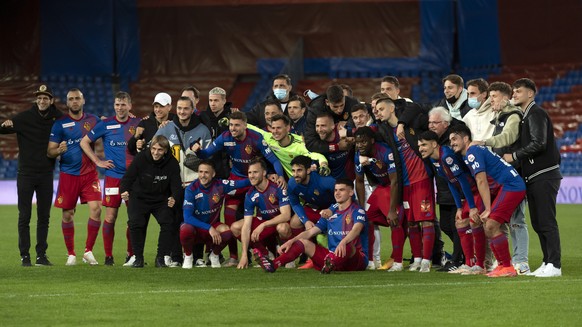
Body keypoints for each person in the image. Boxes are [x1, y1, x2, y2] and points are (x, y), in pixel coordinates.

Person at [192, 111, 285, 266]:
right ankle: (235, 256)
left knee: (263, 218)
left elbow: (274, 160)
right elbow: (205, 154)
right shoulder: (225, 137)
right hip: (236, 181)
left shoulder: (256, 138)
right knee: (229, 217)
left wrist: (279, 175)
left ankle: (269, 251)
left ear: (245, 125)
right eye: (231, 125)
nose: (233, 128)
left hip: (256, 180)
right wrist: (197, 149)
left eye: (236, 125)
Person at [449, 124, 526, 277]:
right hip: (507, 186)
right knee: (488, 225)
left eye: (455, 139)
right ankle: (503, 265)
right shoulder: (472, 152)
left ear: (466, 139)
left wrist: (488, 208)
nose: (452, 143)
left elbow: (481, 180)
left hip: (511, 185)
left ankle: (508, 267)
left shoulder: (472, 152)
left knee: (490, 224)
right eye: (450, 140)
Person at [504, 78, 562, 278]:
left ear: (530, 94)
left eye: (518, 91)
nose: (514, 95)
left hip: (544, 175)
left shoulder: (536, 114)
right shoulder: (526, 116)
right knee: (538, 222)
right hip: (535, 176)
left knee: (546, 221)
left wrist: (515, 155)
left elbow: (540, 143)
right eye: (514, 91)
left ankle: (555, 264)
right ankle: (547, 262)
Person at [0, 84, 63, 266]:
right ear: (36, 100)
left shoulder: (57, 118)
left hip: (45, 174)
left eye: (45, 98)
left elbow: (76, 124)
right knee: (24, 216)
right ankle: (25, 255)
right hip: (25, 174)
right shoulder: (24, 118)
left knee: (44, 217)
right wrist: (4, 125)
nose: (42, 101)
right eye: (39, 98)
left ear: (51, 101)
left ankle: (41, 255)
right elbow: (3, 130)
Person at [472, 81, 530, 274]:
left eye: (494, 96)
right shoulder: (500, 116)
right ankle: (504, 261)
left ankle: (521, 260)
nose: (491, 100)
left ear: (505, 98)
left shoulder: (512, 115)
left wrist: (485, 142)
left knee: (517, 220)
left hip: (515, 174)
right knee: (500, 222)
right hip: (504, 177)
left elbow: (508, 138)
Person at [255, 178, 368, 274]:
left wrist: (343, 242)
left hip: (355, 260)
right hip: (333, 257)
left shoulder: (357, 211)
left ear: (351, 193)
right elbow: (311, 232)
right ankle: (273, 264)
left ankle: (331, 263)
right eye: (336, 190)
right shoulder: (329, 213)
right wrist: (292, 240)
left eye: (342, 190)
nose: (337, 193)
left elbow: (356, 230)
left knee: (348, 245)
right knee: (303, 242)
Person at [79, 91, 141, 266]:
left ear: (130, 105)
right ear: (114, 106)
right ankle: (108, 256)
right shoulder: (105, 124)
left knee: (133, 218)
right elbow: (84, 142)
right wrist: (97, 161)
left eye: (123, 104)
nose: (120, 108)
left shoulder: (138, 124)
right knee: (111, 216)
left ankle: (131, 254)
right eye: (117, 104)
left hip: (133, 179)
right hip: (113, 177)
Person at [376, 97, 436, 272]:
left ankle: (426, 261)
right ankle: (417, 259)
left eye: (381, 109)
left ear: (392, 108)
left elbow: (418, 106)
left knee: (426, 221)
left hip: (422, 178)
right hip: (406, 182)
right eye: (376, 110)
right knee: (411, 223)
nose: (378, 112)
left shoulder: (412, 122)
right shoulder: (385, 131)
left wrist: (402, 123)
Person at [418, 131, 488, 275]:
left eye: (424, 145)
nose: (421, 149)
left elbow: (463, 181)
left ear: (434, 144)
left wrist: (472, 207)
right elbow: (451, 183)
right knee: (460, 222)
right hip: (468, 194)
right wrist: (459, 207)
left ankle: (480, 265)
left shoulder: (447, 156)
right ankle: (469, 263)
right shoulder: (434, 159)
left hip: (477, 191)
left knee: (474, 221)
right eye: (419, 146)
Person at [47, 88, 102, 266]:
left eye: (77, 98)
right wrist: (58, 151)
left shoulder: (93, 120)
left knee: (96, 209)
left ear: (83, 100)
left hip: (89, 174)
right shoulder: (60, 124)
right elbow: (50, 151)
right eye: (71, 99)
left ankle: (88, 251)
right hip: (68, 174)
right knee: (68, 214)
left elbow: (111, 126)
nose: (75, 101)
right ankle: (71, 253)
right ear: (67, 102)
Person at [120, 135, 182, 268]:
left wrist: (174, 197)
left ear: (165, 150)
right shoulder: (141, 158)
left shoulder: (172, 163)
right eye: (153, 148)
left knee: (168, 223)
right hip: (139, 198)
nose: (155, 152)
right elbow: (127, 178)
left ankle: (160, 258)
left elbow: (176, 185)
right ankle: (138, 258)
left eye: (160, 150)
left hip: (161, 199)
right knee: (136, 224)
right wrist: (124, 190)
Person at [180, 160, 250, 269]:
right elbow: (187, 217)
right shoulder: (191, 189)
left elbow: (242, 183)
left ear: (213, 174)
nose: (203, 175)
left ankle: (214, 255)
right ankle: (188, 256)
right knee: (185, 229)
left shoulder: (221, 185)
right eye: (200, 172)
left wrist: (263, 178)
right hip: (197, 229)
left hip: (213, 229)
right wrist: (209, 228)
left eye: (206, 172)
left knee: (228, 232)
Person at [230, 159, 291, 269]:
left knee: (283, 227)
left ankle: (288, 256)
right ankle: (264, 254)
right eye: (249, 173)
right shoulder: (250, 194)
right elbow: (247, 226)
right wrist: (243, 255)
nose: (251, 176)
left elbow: (286, 215)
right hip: (267, 225)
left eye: (255, 172)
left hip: (280, 223)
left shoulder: (277, 187)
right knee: (236, 227)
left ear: (264, 173)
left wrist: (263, 225)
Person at [427, 106, 466, 272]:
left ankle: (458, 259)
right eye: (430, 123)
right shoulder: (434, 141)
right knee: (445, 226)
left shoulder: (450, 142)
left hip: (455, 191)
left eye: (435, 122)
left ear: (445, 123)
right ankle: (463, 251)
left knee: (457, 226)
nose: (432, 126)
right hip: (443, 190)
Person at [354, 127, 398, 270]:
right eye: (357, 142)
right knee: (368, 219)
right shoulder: (358, 155)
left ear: (372, 141)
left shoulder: (385, 152)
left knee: (396, 220)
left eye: (363, 142)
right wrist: (361, 208)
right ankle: (370, 261)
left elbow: (394, 181)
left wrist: (392, 209)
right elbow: (359, 181)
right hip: (380, 188)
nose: (360, 145)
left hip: (393, 188)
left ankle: (397, 261)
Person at [247, 114, 328, 178]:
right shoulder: (270, 138)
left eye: (278, 128)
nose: (275, 131)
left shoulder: (300, 144)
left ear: (288, 128)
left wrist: (323, 165)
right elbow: (253, 128)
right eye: (273, 128)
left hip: (307, 180)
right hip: (292, 183)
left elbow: (318, 156)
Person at [304, 84, 360, 154]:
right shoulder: (315, 110)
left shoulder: (352, 103)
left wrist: (349, 125)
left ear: (345, 98)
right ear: (327, 102)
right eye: (335, 107)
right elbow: (310, 143)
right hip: (325, 150)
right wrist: (336, 147)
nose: (339, 110)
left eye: (342, 105)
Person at [201, 86, 233, 179]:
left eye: (216, 100)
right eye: (210, 100)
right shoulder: (203, 117)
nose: (212, 104)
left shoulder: (232, 117)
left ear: (224, 101)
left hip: (226, 166)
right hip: (208, 164)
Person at [314, 112, 355, 180]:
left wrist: (353, 140)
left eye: (323, 125)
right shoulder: (316, 142)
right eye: (317, 126)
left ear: (333, 126)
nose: (319, 130)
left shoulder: (344, 131)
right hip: (332, 182)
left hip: (352, 180)